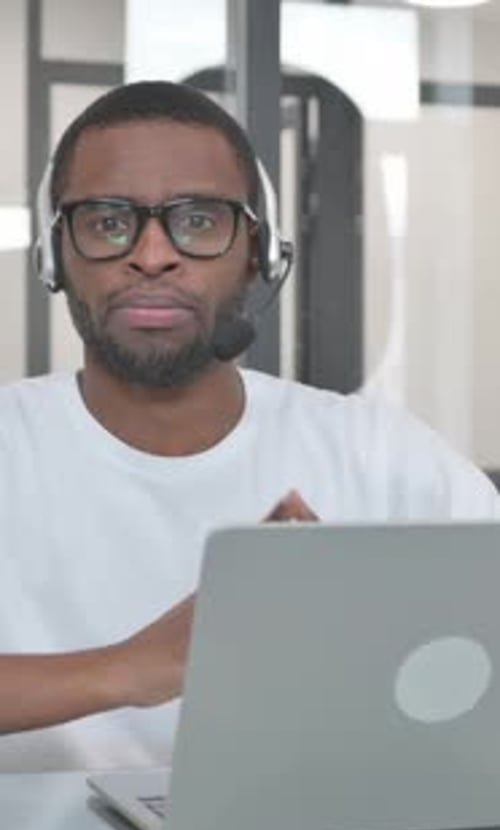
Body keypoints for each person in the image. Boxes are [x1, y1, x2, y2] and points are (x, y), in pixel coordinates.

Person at [0, 80, 498, 771]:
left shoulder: (385, 458)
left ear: (259, 255)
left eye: (199, 221)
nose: (152, 255)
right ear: (56, 255)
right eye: (108, 222)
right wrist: (134, 669)